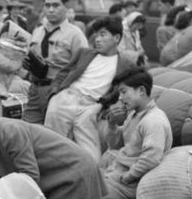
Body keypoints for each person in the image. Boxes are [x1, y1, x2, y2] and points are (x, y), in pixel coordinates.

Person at [43, 16, 136, 162]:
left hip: (91, 106)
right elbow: (64, 73)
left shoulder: (125, 64)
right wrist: (55, 93)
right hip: (67, 97)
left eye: (103, 35)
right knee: (52, 148)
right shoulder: (84, 53)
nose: (97, 39)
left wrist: (103, 106)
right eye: (96, 35)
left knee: (92, 158)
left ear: (116, 38)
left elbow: (127, 91)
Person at [101, 68, 172, 199]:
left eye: (123, 92)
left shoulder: (153, 121)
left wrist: (127, 177)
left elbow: (151, 159)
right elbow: (114, 145)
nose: (120, 98)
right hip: (116, 174)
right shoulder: (134, 115)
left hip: (129, 184)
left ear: (141, 91)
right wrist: (111, 123)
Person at [22, 0, 88, 124]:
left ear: (66, 7)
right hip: (35, 90)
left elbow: (83, 66)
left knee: (54, 136)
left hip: (58, 92)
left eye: (56, 5)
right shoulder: (38, 31)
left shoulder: (75, 34)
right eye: (47, 6)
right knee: (28, 131)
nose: (51, 10)